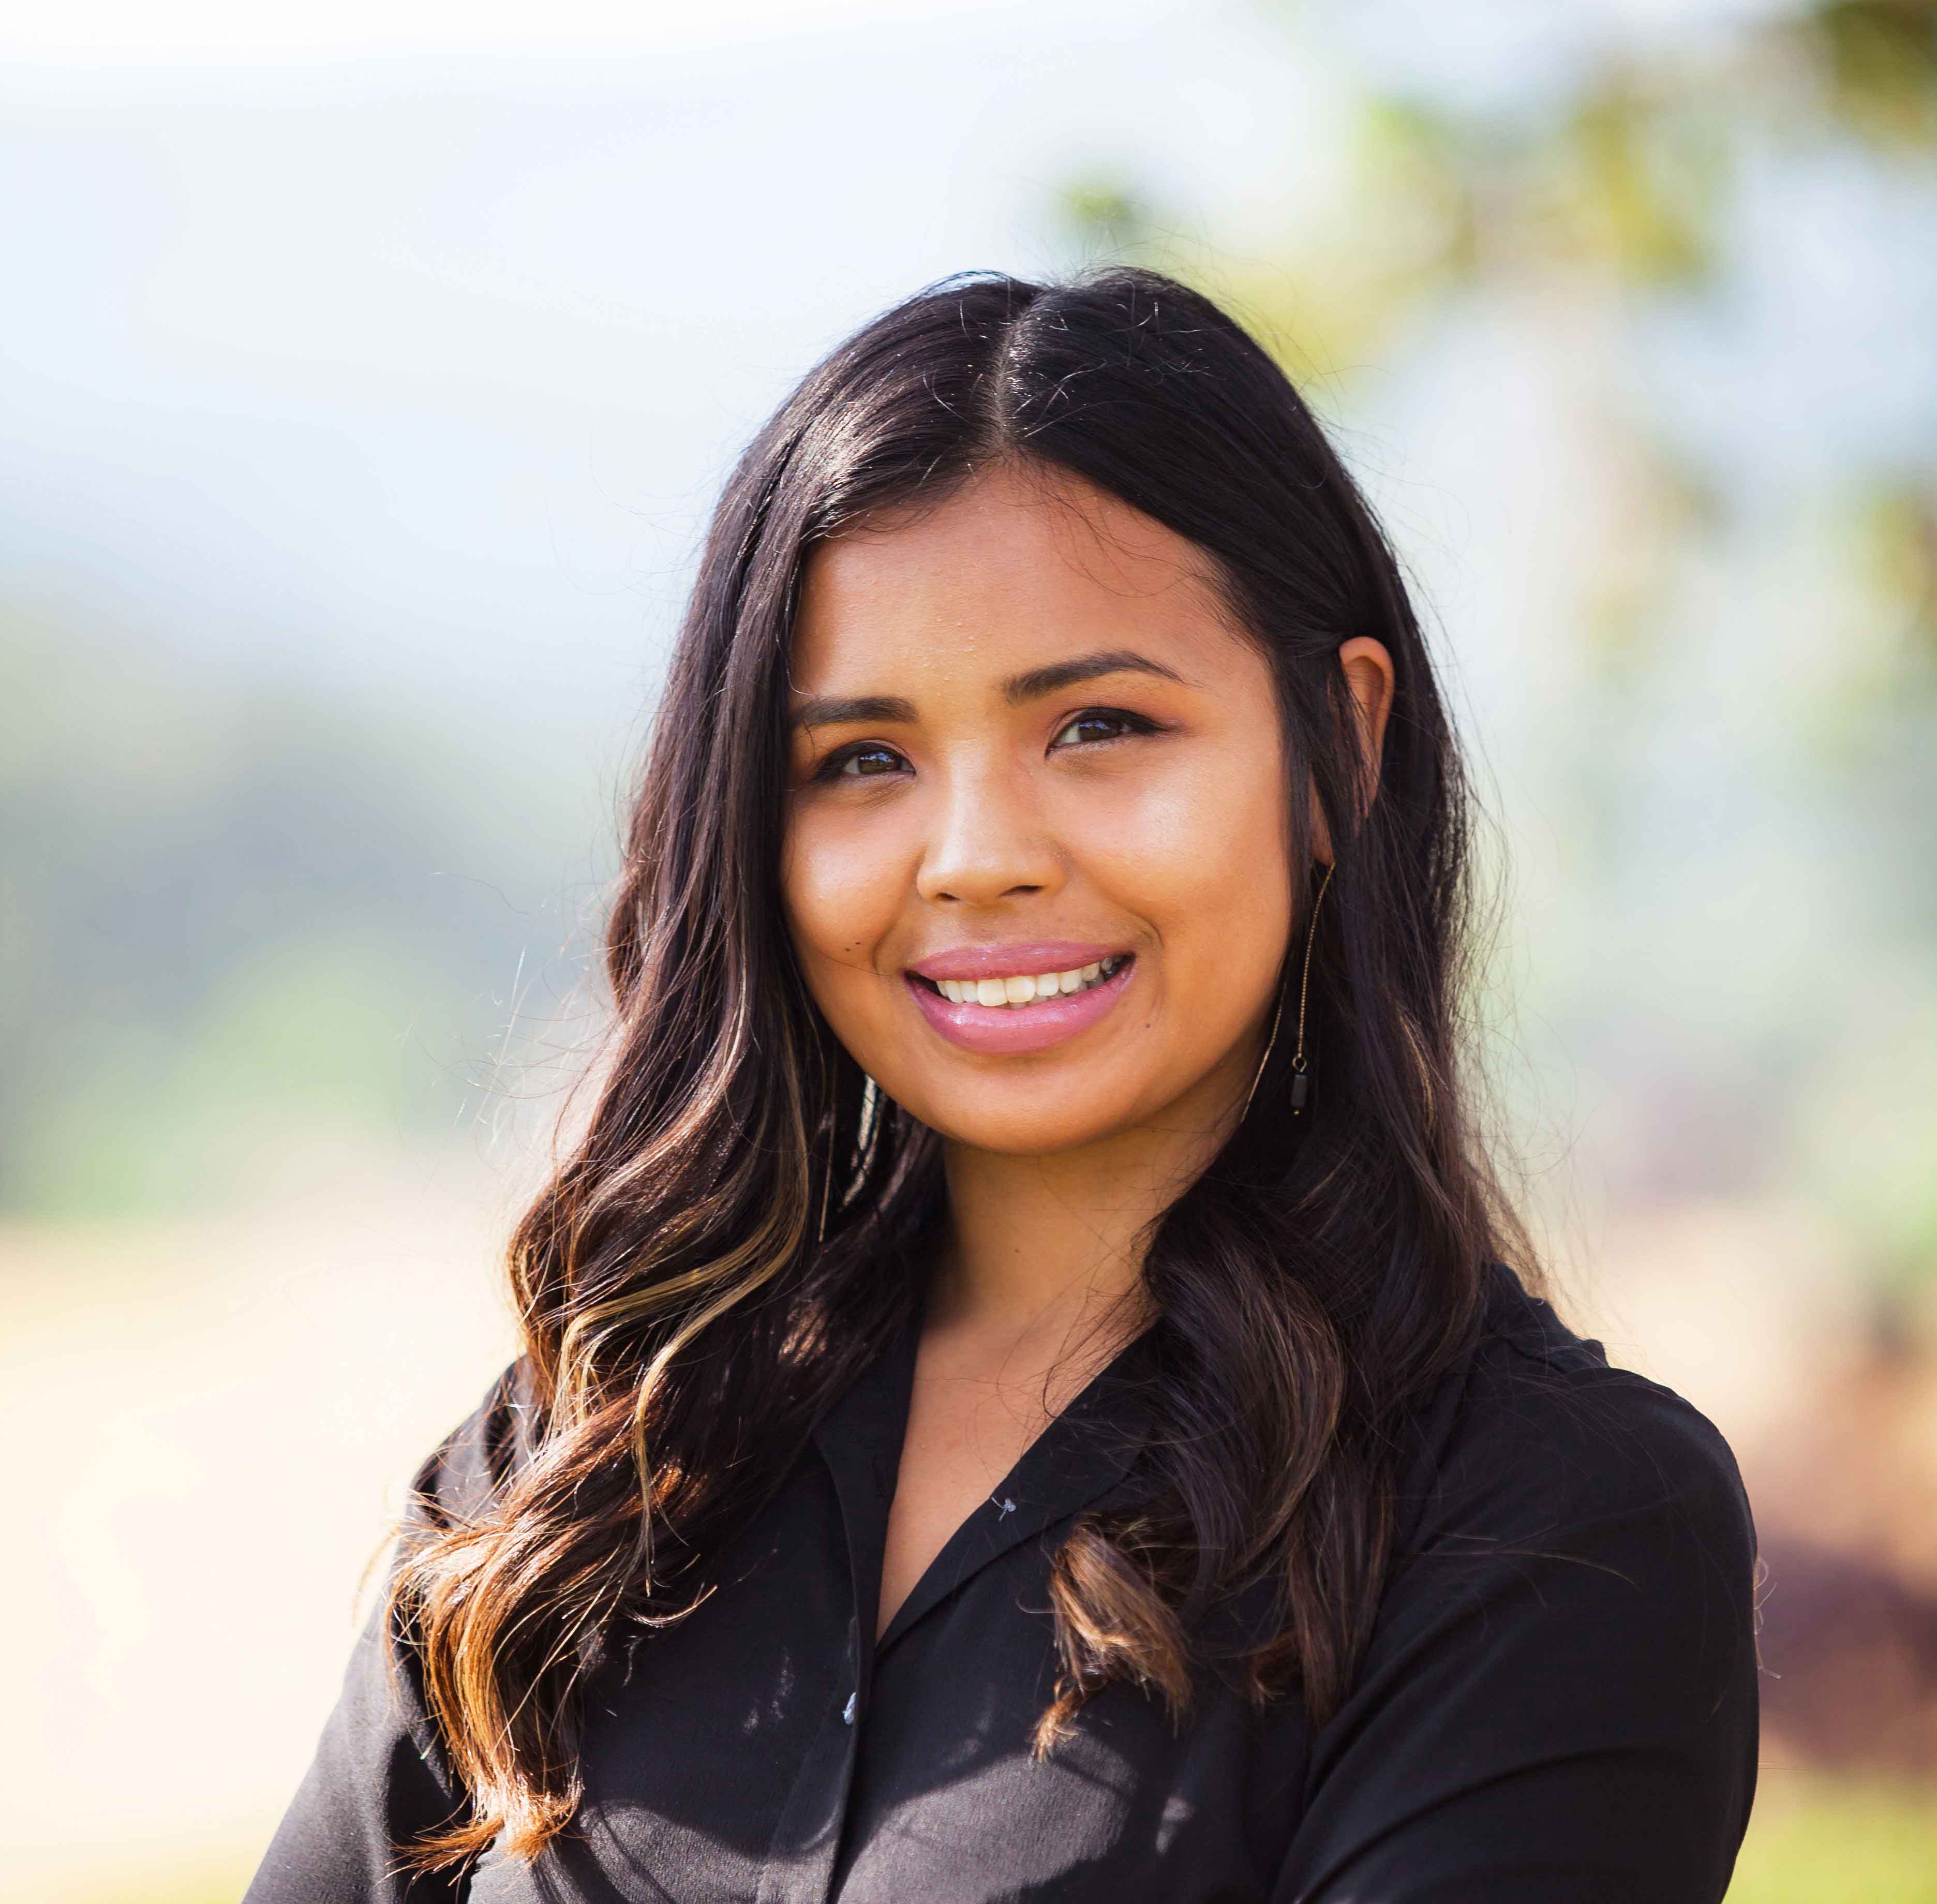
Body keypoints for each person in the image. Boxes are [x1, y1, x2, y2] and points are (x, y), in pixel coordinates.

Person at [246, 270, 1759, 1903]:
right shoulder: (590, 1459)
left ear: (1341, 741)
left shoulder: (1551, 1535)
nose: (976, 861)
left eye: (1101, 726)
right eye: (864, 761)